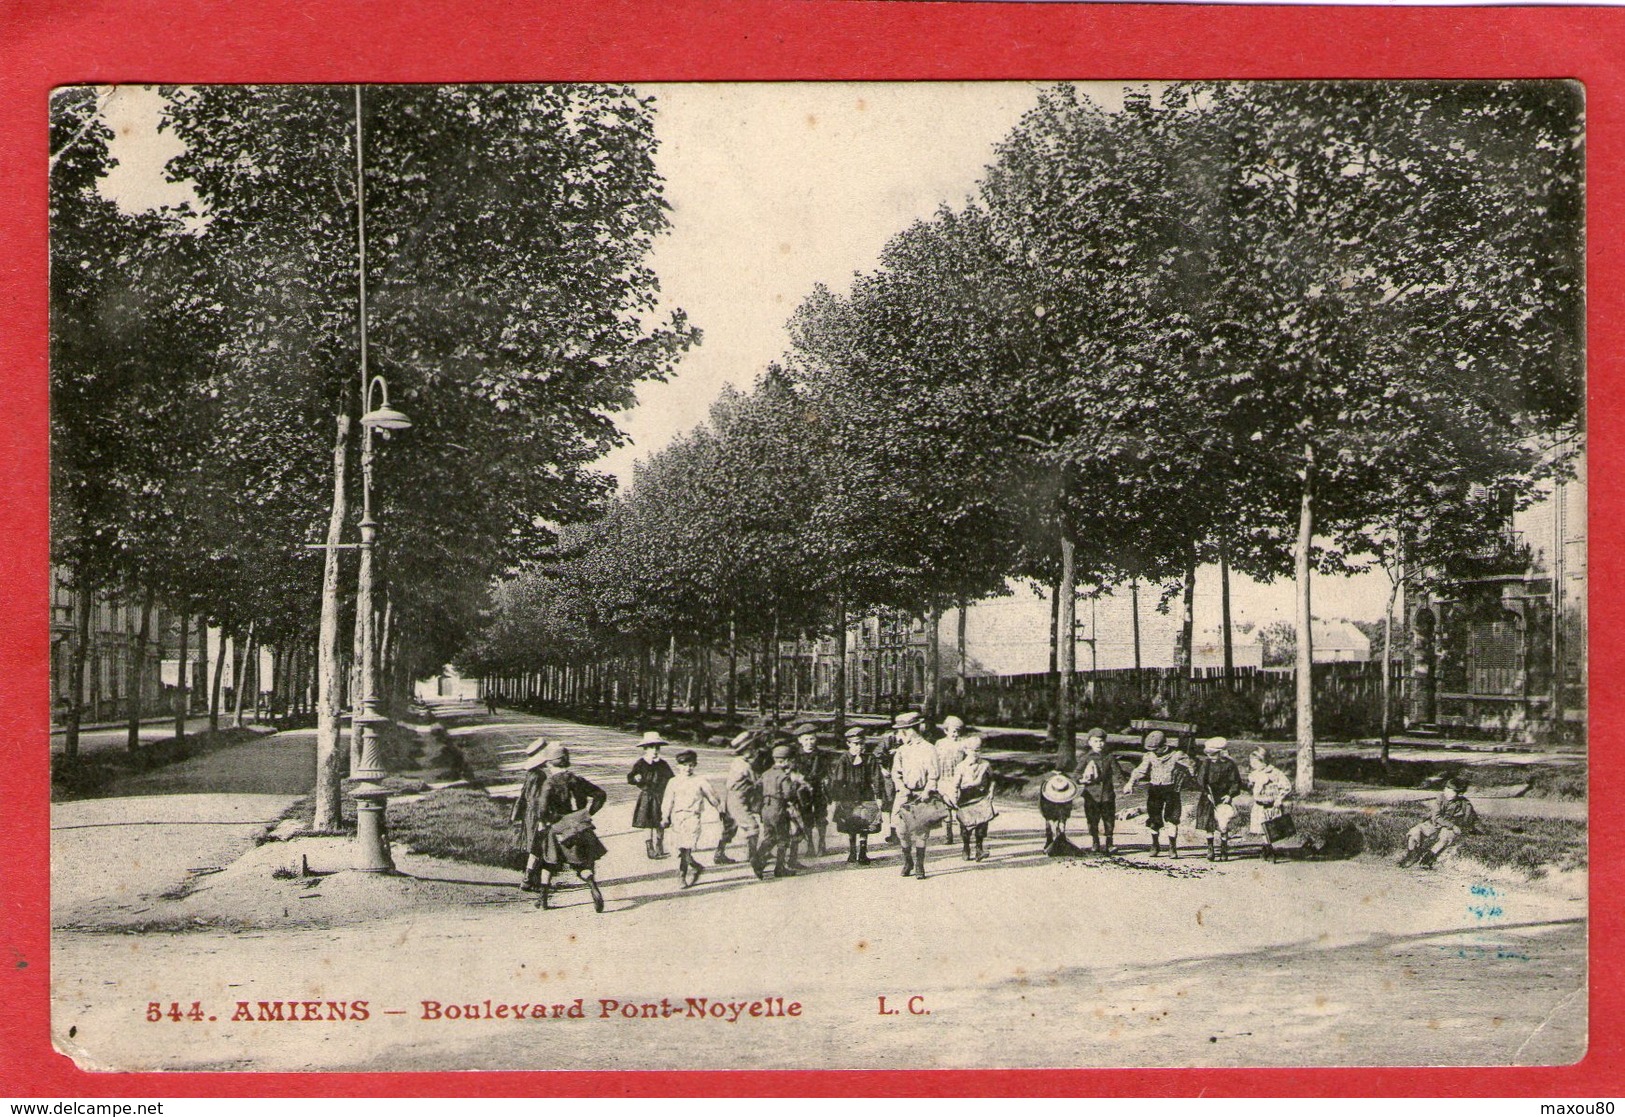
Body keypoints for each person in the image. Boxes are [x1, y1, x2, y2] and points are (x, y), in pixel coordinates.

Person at [511, 741, 609, 912]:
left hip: (558, 828)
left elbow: (542, 810)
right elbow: (600, 794)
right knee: (582, 864)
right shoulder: (577, 780)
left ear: (550, 763)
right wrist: (587, 814)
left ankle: (543, 900)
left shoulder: (549, 783)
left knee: (548, 862)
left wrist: (550, 820)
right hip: (579, 827)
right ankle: (592, 885)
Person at [1125, 729, 1196, 858]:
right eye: (1151, 749)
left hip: (1172, 790)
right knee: (1154, 817)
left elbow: (1192, 766)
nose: (1153, 751)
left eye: (1156, 749)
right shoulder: (1150, 756)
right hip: (1155, 789)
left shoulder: (1177, 755)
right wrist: (1130, 782)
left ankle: (1172, 847)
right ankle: (1155, 845)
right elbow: (1140, 770)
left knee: (1172, 818)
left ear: (1164, 746)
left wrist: (1190, 777)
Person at [889, 711, 943, 879]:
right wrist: (901, 787)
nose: (898, 735)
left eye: (900, 731)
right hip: (904, 795)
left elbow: (934, 774)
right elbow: (895, 773)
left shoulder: (929, 749)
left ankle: (919, 864)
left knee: (920, 831)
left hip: (921, 795)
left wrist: (928, 790)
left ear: (909, 730)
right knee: (901, 830)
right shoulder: (901, 751)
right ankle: (908, 861)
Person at [662, 749, 722, 888]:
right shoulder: (673, 782)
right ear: (678, 766)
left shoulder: (700, 781)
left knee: (685, 848)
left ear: (695, 765)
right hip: (677, 818)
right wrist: (665, 816)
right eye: (684, 765)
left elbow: (712, 796)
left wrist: (719, 809)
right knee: (678, 848)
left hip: (692, 817)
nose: (687, 768)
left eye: (691, 765)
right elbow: (668, 800)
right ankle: (695, 865)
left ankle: (681, 876)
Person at [828, 724, 887, 865]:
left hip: (865, 795)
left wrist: (878, 796)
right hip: (848, 796)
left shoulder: (869, 758)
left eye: (861, 743)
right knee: (851, 822)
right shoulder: (845, 759)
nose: (859, 747)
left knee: (865, 822)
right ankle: (852, 851)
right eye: (855, 744)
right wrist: (836, 798)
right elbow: (838, 779)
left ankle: (863, 851)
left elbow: (877, 777)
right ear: (848, 744)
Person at [752, 744, 810, 880]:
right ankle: (779, 867)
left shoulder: (766, 773)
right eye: (790, 760)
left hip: (765, 809)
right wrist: (797, 786)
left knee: (769, 836)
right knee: (783, 839)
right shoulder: (784, 776)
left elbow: (757, 787)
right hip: (778, 809)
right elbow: (788, 795)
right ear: (785, 761)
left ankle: (758, 858)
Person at [1400, 774, 1478, 869]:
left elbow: (1471, 819)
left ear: (1459, 793)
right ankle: (1412, 854)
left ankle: (1429, 857)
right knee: (1414, 832)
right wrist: (1453, 826)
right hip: (1434, 824)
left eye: (1451, 791)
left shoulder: (1465, 804)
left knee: (1446, 837)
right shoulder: (1440, 798)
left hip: (1447, 828)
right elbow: (1436, 817)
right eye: (1446, 789)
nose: (1446, 792)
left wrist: (1471, 828)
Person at [1192, 736, 1245, 861]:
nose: (1211, 757)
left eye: (1214, 754)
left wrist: (1230, 795)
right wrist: (1206, 792)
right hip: (1208, 797)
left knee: (1223, 824)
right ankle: (1210, 848)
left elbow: (1235, 782)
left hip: (1223, 798)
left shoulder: (1229, 765)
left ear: (1221, 753)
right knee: (1209, 824)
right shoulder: (1206, 763)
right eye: (1209, 754)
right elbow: (1200, 780)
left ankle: (1224, 849)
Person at [715, 730, 762, 866]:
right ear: (745, 750)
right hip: (738, 799)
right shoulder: (744, 765)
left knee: (730, 827)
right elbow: (757, 781)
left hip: (732, 797)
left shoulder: (737, 762)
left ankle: (719, 853)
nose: (754, 751)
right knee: (752, 826)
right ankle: (753, 856)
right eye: (751, 749)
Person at [946, 733, 995, 862]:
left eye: (978, 750)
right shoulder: (961, 767)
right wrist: (954, 798)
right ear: (966, 750)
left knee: (982, 825)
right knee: (966, 826)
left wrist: (991, 791)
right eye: (972, 750)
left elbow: (993, 779)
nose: (975, 753)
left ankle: (979, 849)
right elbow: (955, 785)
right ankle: (966, 847)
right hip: (965, 797)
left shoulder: (985, 764)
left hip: (980, 797)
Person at [627, 731, 675, 859]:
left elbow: (671, 779)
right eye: (651, 747)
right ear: (645, 748)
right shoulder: (641, 763)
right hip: (647, 796)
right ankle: (650, 848)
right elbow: (630, 777)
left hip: (660, 796)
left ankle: (659, 846)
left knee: (661, 821)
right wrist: (635, 779)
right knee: (648, 823)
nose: (655, 750)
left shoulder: (663, 764)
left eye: (657, 747)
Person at [790, 723, 832, 859]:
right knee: (806, 817)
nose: (809, 742)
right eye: (806, 739)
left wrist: (826, 782)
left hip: (818, 789)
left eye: (812, 739)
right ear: (800, 741)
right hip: (803, 791)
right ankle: (810, 845)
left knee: (821, 816)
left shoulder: (822, 755)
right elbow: (792, 773)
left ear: (816, 739)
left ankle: (822, 843)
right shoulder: (796, 756)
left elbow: (827, 772)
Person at [1246, 747, 1294, 862]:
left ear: (1263, 761)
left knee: (1270, 827)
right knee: (1262, 828)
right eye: (1252, 763)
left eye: (1256, 762)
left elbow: (1286, 786)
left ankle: (1268, 848)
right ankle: (1267, 848)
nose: (1253, 765)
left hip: (1272, 805)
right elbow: (1252, 787)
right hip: (1259, 805)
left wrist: (1280, 798)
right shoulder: (1254, 774)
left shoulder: (1275, 773)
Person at [1074, 727, 1118, 854]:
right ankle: (1095, 842)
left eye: (1102, 741)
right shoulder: (1086, 758)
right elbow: (1076, 773)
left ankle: (1109, 843)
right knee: (1092, 819)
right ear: (1089, 742)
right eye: (1096, 741)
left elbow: (1118, 773)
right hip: (1091, 795)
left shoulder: (1109, 757)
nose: (1099, 744)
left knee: (1109, 819)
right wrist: (1081, 780)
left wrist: (1126, 785)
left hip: (1107, 794)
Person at [934, 716, 969, 844]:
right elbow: (934, 760)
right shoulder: (940, 743)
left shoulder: (963, 744)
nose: (956, 734)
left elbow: (967, 761)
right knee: (945, 807)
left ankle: (964, 833)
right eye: (953, 731)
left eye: (958, 731)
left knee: (959, 806)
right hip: (943, 778)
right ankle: (948, 835)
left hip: (957, 779)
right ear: (946, 731)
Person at [1039, 771, 1080, 855]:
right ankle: (1049, 841)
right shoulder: (1046, 791)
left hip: (1062, 806)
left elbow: (1066, 810)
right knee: (1049, 825)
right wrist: (1051, 822)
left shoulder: (1067, 789)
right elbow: (1045, 810)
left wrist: (1062, 822)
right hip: (1049, 806)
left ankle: (1061, 840)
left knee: (1061, 828)